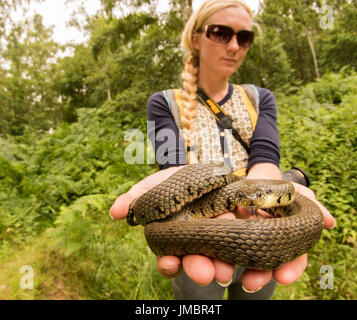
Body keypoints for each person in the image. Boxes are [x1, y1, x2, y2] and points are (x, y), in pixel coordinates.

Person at [110, 0, 336, 299]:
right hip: (196, 230)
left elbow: (266, 160)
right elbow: (173, 168)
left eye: (244, 37)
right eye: (220, 33)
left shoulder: (259, 98)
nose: (234, 46)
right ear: (195, 38)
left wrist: (273, 199)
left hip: (263, 222)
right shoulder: (163, 102)